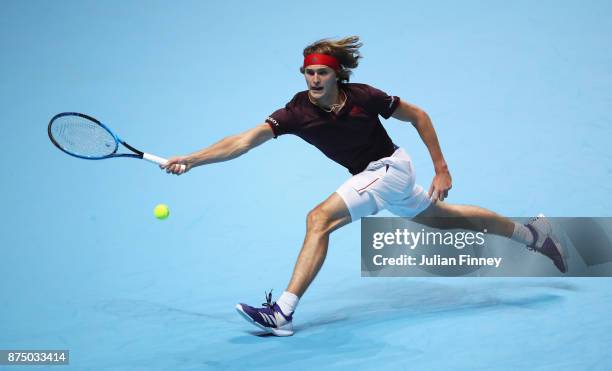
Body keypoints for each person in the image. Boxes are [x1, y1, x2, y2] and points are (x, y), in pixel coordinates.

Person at [161, 36, 566, 336]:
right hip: (378, 177)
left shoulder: (364, 96)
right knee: (445, 220)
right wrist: (190, 160)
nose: (315, 79)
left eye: (322, 72)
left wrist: (441, 168)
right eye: (309, 72)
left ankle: (283, 311)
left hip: (391, 167)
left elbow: (419, 116)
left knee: (318, 218)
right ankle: (531, 232)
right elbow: (242, 141)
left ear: (337, 74)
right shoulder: (296, 112)